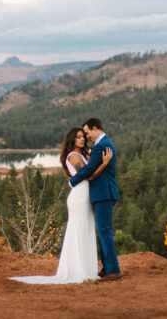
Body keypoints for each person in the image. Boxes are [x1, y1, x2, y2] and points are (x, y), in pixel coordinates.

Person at [10, 126, 112, 284]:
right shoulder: (73, 156)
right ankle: (78, 270)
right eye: (78, 136)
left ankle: (86, 268)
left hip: (85, 196)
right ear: (72, 139)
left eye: (83, 136)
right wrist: (104, 164)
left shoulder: (81, 155)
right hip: (79, 197)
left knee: (85, 229)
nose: (82, 139)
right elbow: (89, 176)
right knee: (78, 229)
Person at [69, 118, 122, 281]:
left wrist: (73, 181)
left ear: (95, 128)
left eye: (87, 133)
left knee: (104, 231)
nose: (86, 137)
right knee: (103, 231)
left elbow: (89, 170)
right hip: (104, 193)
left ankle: (113, 270)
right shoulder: (104, 144)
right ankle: (107, 268)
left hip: (103, 194)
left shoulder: (101, 146)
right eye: (83, 135)